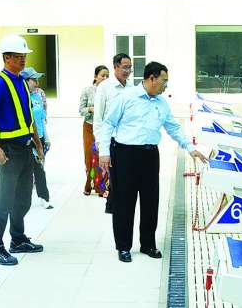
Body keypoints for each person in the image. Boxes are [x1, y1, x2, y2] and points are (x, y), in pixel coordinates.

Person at [97, 61, 208, 263]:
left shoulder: (161, 103)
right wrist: (104, 152)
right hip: (125, 154)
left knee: (150, 201)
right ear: (152, 78)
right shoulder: (126, 97)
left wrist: (190, 148)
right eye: (164, 80)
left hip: (150, 156)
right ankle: (123, 246)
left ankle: (148, 244)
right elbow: (108, 124)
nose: (166, 85)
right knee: (124, 202)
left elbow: (173, 127)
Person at [0, 34, 45, 266]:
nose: (23, 59)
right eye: (18, 56)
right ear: (6, 58)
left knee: (24, 199)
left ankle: (18, 239)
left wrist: (37, 143)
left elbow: (29, 117)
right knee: (4, 203)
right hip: (8, 152)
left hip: (25, 150)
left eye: (24, 56)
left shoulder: (22, 81)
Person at [93, 53, 133, 213]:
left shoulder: (131, 88)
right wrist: (100, 143)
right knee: (114, 177)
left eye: (130, 67)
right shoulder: (104, 87)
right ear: (115, 66)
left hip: (128, 140)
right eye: (125, 67)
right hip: (110, 139)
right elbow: (98, 117)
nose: (128, 71)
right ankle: (114, 207)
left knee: (126, 177)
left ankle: (121, 205)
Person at [21, 67, 53, 209]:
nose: (37, 82)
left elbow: (41, 120)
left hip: (39, 138)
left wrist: (46, 138)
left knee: (39, 169)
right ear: (26, 81)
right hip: (26, 140)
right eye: (34, 80)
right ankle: (20, 200)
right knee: (24, 171)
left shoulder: (38, 96)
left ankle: (44, 198)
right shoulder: (21, 98)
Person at [80, 64, 109, 196]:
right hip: (89, 126)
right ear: (95, 77)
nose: (105, 78)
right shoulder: (88, 90)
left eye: (107, 76)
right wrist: (92, 109)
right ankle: (89, 184)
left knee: (101, 156)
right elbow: (81, 110)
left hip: (104, 128)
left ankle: (101, 188)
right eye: (102, 76)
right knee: (89, 157)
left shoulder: (110, 91)